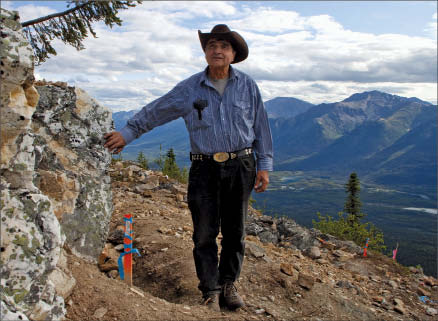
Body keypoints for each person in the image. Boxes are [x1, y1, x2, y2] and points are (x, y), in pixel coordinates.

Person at [104, 24, 273, 311]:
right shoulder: (189, 88)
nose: (217, 50)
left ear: (233, 54)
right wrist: (128, 133)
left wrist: (264, 164)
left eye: (224, 46)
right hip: (204, 168)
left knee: (235, 231)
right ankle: (210, 289)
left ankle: (229, 283)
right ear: (205, 52)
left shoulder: (248, 86)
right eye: (212, 46)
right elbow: (157, 110)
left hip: (241, 165)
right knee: (204, 233)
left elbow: (261, 127)